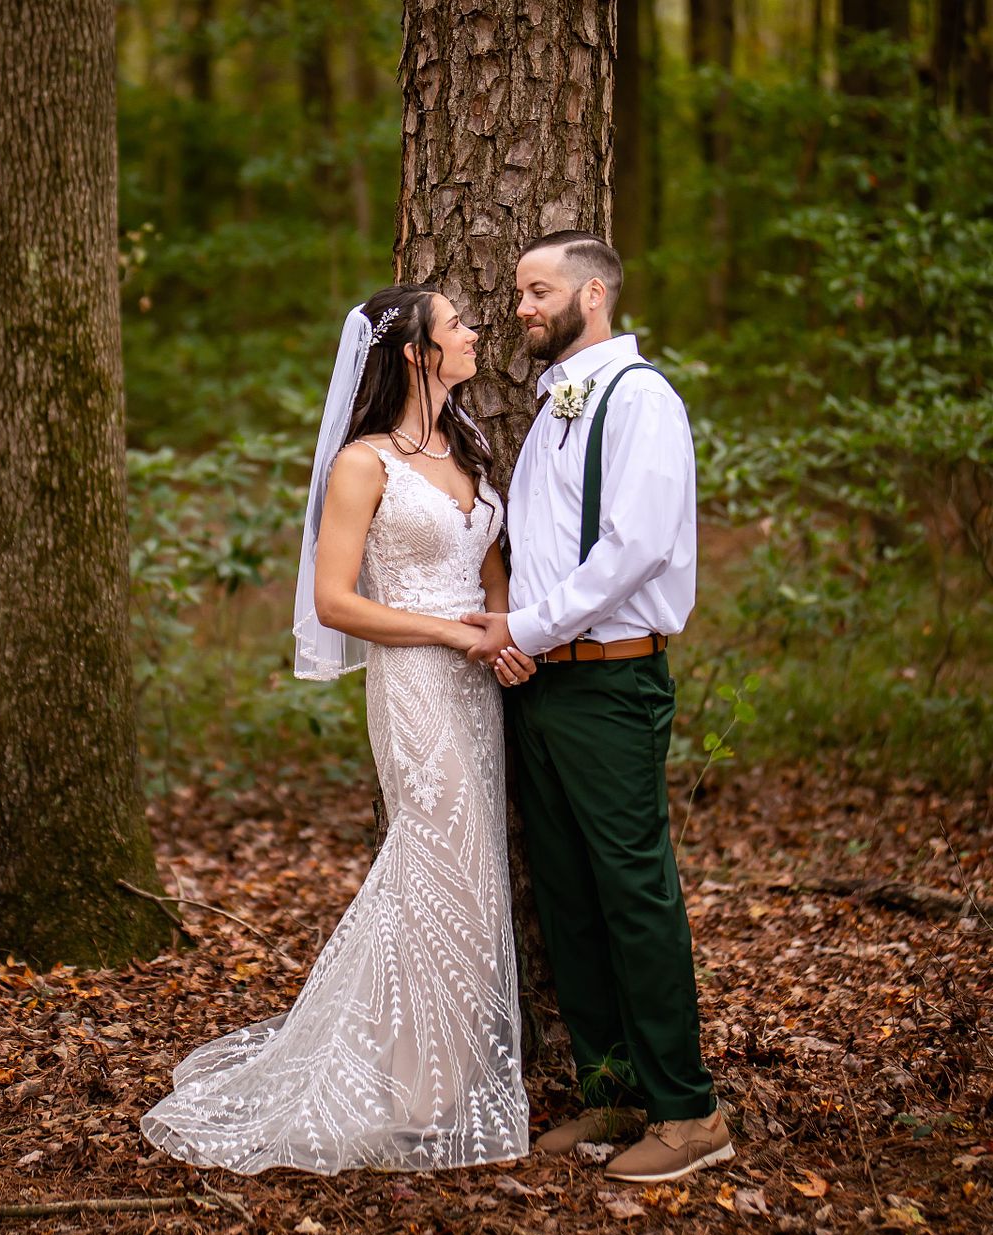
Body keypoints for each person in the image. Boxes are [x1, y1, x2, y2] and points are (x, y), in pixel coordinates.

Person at [141, 285, 535, 1174]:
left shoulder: (465, 442)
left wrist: (504, 632)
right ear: (415, 352)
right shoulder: (363, 463)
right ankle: (413, 1093)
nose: (476, 335)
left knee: (470, 880)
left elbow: (494, 561)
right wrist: (452, 633)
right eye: (460, 326)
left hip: (479, 681)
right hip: (417, 680)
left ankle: (438, 1077)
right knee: (436, 868)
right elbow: (335, 601)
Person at [464, 231, 734, 1184]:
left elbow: (636, 547)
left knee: (633, 893)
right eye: (520, 295)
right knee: (571, 893)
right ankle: (612, 1090)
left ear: (593, 296)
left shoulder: (642, 400)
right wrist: (511, 629)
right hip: (547, 679)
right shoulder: (553, 410)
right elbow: (540, 548)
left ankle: (689, 1110)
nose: (523, 309)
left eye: (538, 292)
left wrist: (524, 632)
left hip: (611, 682)